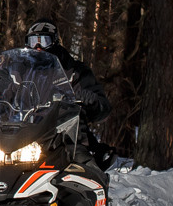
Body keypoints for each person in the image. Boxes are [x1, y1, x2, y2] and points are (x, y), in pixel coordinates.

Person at [24, 20, 113, 167]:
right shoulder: (20, 72)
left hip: (67, 140)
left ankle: (89, 181)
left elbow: (103, 109)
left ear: (54, 42)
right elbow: (4, 98)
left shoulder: (74, 71)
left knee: (83, 165)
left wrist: (92, 101)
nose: (38, 47)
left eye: (44, 41)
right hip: (25, 138)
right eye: (33, 41)